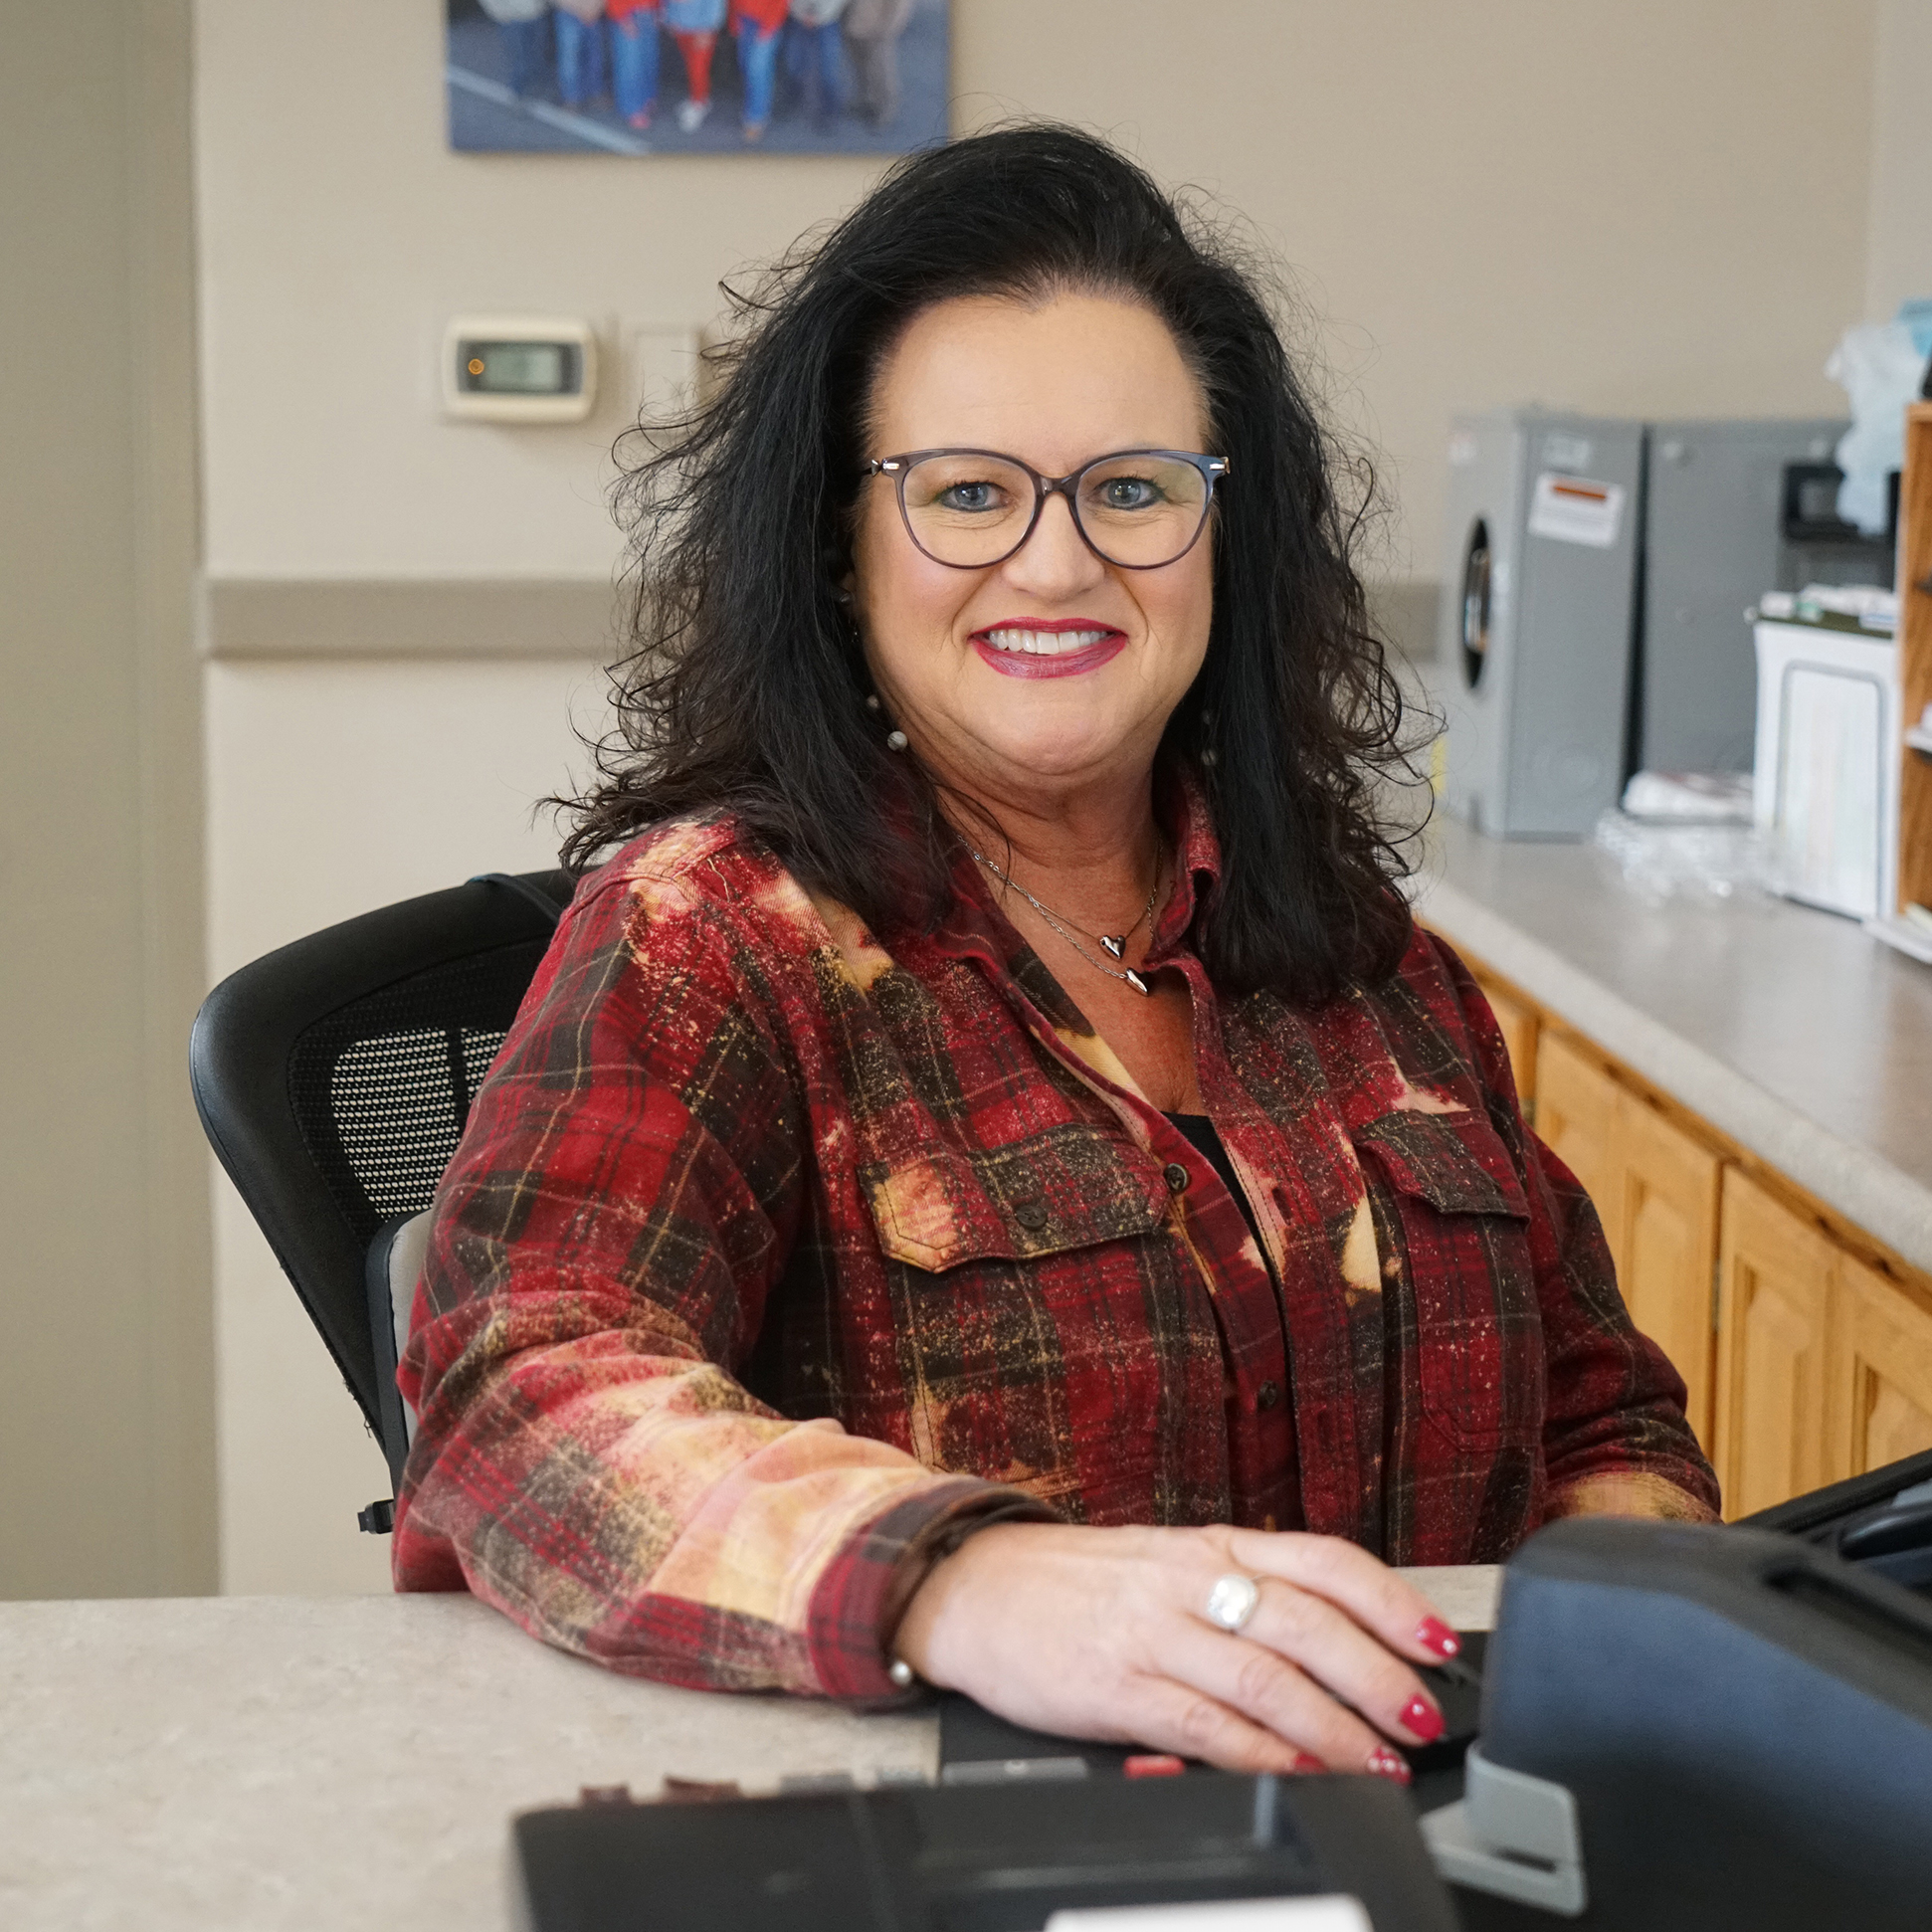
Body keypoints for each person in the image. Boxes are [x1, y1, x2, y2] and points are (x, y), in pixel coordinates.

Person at [394, 126, 1718, 1780]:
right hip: (946, 1843)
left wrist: (1628, 1697)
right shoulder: (709, 936)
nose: (1057, 559)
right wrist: (958, 1575)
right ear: (839, 546)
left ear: (1225, 542)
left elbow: (1599, 1407)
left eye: (1134, 490)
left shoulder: (1367, 965)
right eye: (964, 493)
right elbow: (517, 1387)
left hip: (1420, 1829)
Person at [841, 0, 910, 130]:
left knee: (881, 73)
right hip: (852, 28)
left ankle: (885, 109)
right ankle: (865, 101)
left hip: (877, 32)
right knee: (859, 70)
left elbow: (900, 7)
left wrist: (889, 30)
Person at [728, 0, 788, 142]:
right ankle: (756, 108)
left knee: (757, 70)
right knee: (747, 67)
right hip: (743, 19)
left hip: (765, 20)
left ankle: (756, 119)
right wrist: (734, 18)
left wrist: (769, 25)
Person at [662, 0, 725, 131]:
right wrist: (670, 19)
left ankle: (697, 105)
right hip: (681, 27)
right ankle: (700, 98)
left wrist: (708, 28)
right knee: (691, 67)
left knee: (698, 69)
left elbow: (716, 4)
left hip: (702, 29)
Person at [785, 0, 848, 126]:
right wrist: (801, 13)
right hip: (797, 18)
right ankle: (793, 99)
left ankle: (830, 110)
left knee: (828, 70)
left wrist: (818, 16)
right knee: (794, 63)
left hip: (827, 20)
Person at [477, 0, 550, 100]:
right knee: (520, 57)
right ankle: (518, 90)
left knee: (537, 54)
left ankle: (535, 87)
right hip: (512, 18)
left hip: (537, 15)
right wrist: (499, 12)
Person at [606, 0, 661, 129]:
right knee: (630, 64)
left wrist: (659, 9)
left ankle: (646, 99)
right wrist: (621, 17)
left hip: (649, 12)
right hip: (629, 13)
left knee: (648, 61)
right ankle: (632, 108)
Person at [551, 0, 609, 109]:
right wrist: (581, 10)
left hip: (594, 14)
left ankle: (595, 91)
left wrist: (597, 8)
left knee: (595, 57)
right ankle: (571, 97)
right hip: (569, 13)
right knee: (570, 58)